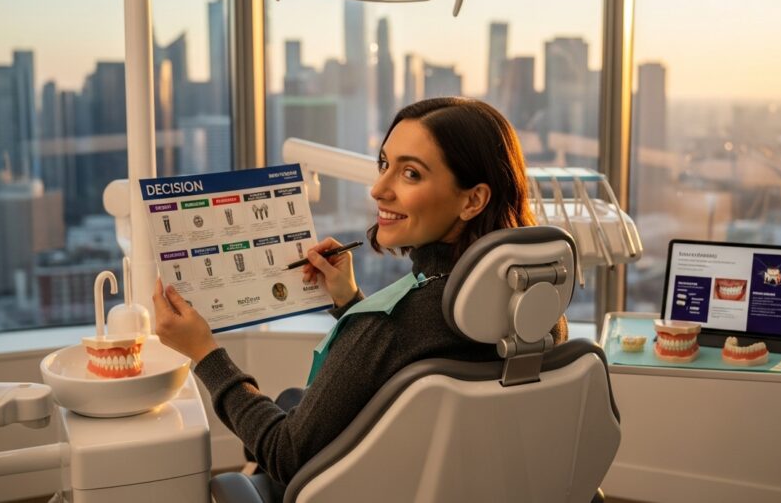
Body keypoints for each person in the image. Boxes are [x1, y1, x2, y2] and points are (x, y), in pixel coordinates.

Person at [153, 97, 568, 495]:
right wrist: (352, 303)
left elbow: (288, 455)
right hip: (473, 485)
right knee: (291, 402)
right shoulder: (537, 313)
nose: (378, 189)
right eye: (384, 164)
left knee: (270, 441)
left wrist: (204, 354)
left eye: (411, 174)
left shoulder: (390, 326)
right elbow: (408, 352)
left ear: (473, 200)